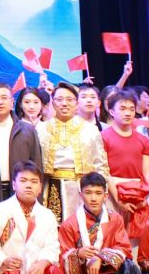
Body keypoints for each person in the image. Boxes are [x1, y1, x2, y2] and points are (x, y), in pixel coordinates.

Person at [37, 83, 109, 220]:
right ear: (53, 103)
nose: (64, 103)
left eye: (69, 99)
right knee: (54, 225)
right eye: (59, 99)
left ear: (77, 103)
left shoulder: (90, 129)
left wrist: (101, 191)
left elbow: (100, 164)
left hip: (82, 186)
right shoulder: (41, 129)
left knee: (82, 225)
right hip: (52, 185)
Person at [0, 83, 42, 217]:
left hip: (20, 193)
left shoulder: (27, 130)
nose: (0, 102)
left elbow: (37, 165)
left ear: (12, 102)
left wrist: (37, 197)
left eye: (4, 98)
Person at [100, 89, 149, 241]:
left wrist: (143, 197)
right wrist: (118, 199)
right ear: (111, 111)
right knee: (112, 237)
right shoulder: (103, 137)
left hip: (138, 193)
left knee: (137, 240)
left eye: (131, 109)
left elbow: (146, 174)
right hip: (112, 192)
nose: (128, 113)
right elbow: (104, 171)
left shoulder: (143, 140)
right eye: (123, 109)